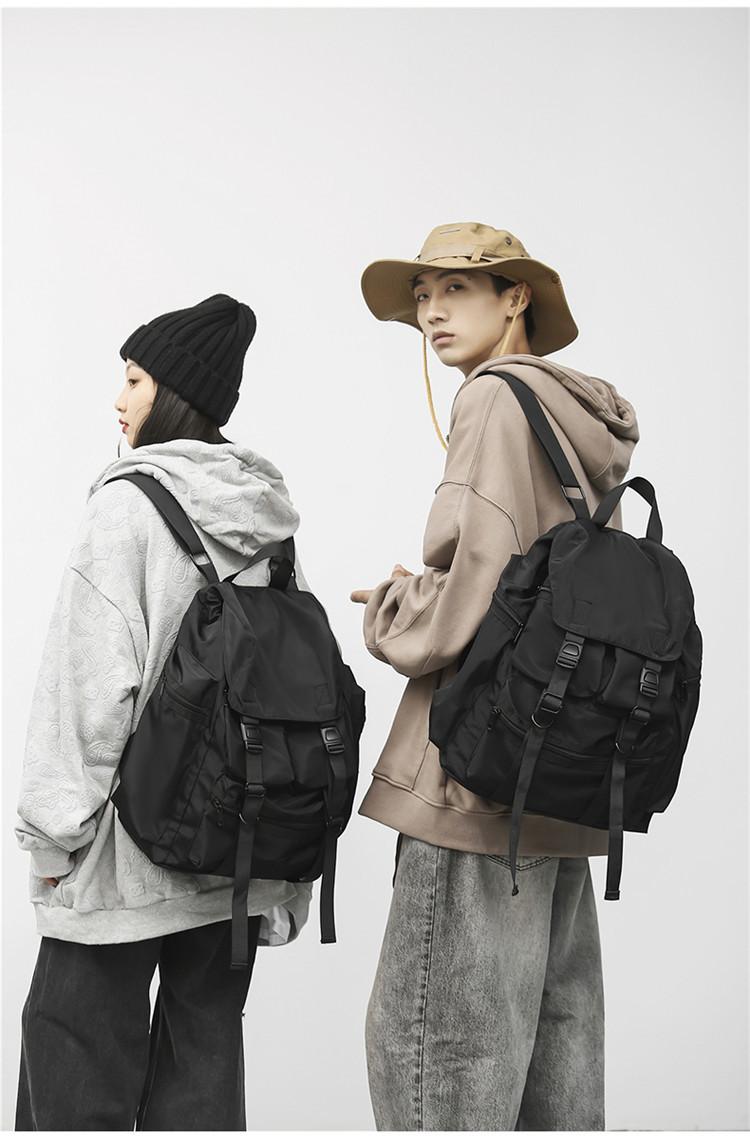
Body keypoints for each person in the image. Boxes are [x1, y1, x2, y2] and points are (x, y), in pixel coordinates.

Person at [351, 222, 640, 1131]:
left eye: (456, 289)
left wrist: (393, 606)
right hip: (559, 781)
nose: (431, 312)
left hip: (472, 778)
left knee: (435, 1062)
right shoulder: (583, 425)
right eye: (422, 296)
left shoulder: (492, 398)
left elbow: (470, 595)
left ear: (516, 297)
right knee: (554, 1073)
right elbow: (537, 581)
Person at [15, 293, 313, 1131]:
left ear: (175, 393)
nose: (118, 398)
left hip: (124, 857)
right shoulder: (268, 520)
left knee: (74, 1062)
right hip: (236, 853)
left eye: (135, 379)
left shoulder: (127, 508)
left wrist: (52, 837)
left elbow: (85, 688)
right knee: (203, 1066)